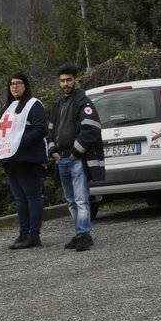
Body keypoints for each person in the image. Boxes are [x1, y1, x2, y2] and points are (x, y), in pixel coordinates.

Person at [0, 71, 49, 248]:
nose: (15, 86)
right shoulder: (7, 109)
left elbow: (41, 129)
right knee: (19, 199)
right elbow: (3, 137)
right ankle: (23, 234)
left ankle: (34, 235)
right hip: (11, 161)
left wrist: (19, 142)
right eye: (12, 84)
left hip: (29, 159)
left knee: (32, 196)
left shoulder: (34, 105)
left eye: (18, 83)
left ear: (26, 85)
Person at [48, 62, 103, 251]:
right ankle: (80, 233)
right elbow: (50, 130)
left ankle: (84, 235)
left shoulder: (83, 102)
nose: (65, 84)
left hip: (76, 159)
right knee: (71, 201)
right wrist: (53, 151)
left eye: (69, 80)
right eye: (62, 81)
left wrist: (74, 154)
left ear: (76, 80)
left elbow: (91, 130)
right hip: (61, 159)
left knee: (81, 199)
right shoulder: (57, 104)